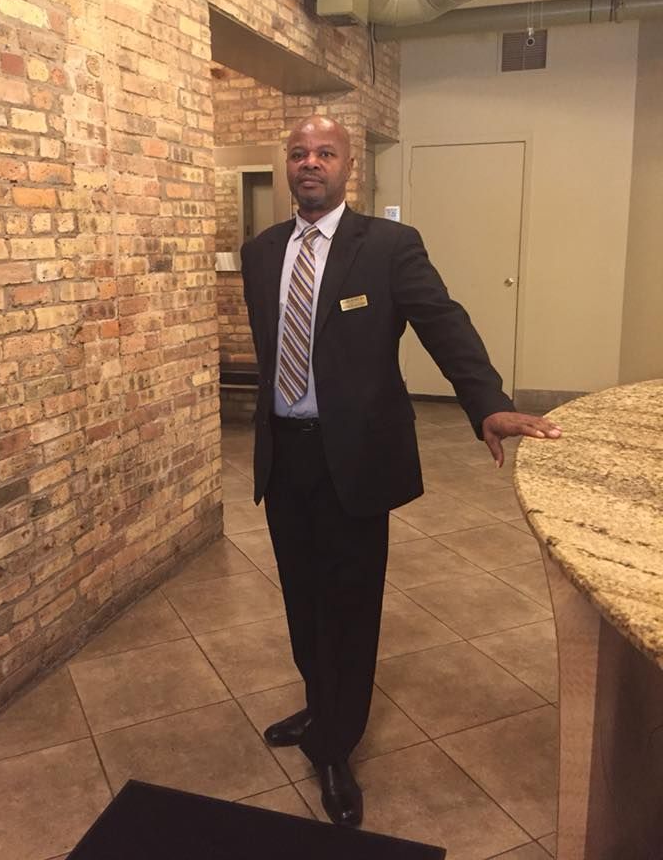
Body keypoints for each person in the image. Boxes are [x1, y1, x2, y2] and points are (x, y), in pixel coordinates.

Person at [239, 115, 561, 828]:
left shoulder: (386, 247)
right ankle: (320, 703)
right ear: (286, 166)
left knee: (349, 604)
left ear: (349, 166)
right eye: (299, 153)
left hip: (355, 457)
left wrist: (487, 403)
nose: (310, 163)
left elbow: (442, 320)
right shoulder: (260, 253)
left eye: (325, 152)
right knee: (300, 596)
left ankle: (335, 743)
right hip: (285, 454)